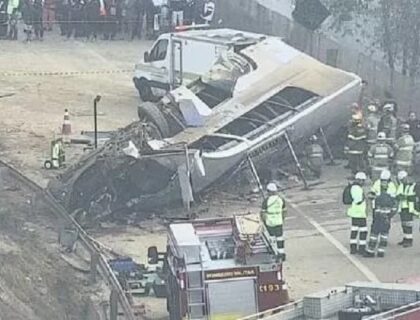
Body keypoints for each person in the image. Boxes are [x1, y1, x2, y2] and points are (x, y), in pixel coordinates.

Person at [364, 191, 396, 258]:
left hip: (378, 222)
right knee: (384, 236)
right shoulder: (390, 200)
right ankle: (381, 252)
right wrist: (388, 217)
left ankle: (371, 251)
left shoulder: (378, 200)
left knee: (374, 236)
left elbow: (376, 212)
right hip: (387, 222)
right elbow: (394, 210)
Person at [261, 183, 286, 261]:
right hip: (279, 220)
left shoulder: (266, 201)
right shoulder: (281, 199)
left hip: (270, 221)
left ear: (268, 191)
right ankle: (281, 253)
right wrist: (282, 219)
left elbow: (263, 213)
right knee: (280, 237)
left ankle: (274, 252)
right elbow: (284, 211)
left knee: (272, 237)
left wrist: (264, 221)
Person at [346, 172, 368, 255]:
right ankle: (362, 249)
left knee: (354, 230)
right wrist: (364, 198)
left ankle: (353, 248)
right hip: (359, 213)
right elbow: (358, 200)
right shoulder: (357, 188)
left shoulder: (353, 187)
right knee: (363, 231)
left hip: (355, 213)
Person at [396, 170, 418, 247]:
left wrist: (405, 197)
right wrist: (402, 197)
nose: (403, 180)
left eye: (404, 178)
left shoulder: (414, 185)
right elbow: (398, 195)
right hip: (402, 207)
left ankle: (409, 240)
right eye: (402, 179)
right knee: (404, 224)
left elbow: (413, 197)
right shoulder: (401, 186)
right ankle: (405, 238)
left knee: (408, 224)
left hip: (410, 208)